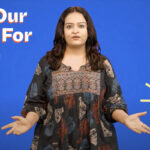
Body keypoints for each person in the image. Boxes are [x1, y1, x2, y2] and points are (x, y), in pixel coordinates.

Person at [1, 6, 150, 150]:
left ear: (88, 30)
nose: (75, 31)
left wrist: (126, 119)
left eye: (81, 25)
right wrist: (28, 121)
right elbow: (35, 104)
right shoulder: (47, 63)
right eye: (69, 26)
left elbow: (113, 103)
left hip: (97, 143)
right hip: (53, 142)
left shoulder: (102, 64)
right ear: (62, 31)